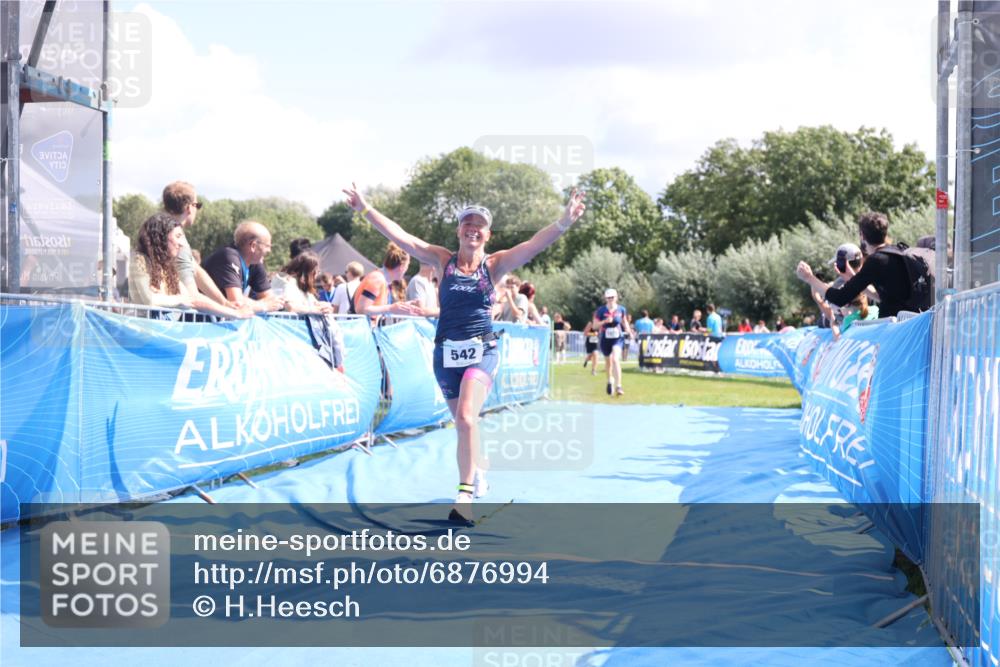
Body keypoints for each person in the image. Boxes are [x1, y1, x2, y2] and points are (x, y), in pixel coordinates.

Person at [342, 183, 586, 522]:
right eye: (467, 223)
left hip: (482, 350)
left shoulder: (495, 265)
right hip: (445, 354)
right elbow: (402, 237)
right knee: (462, 424)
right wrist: (365, 209)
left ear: (488, 234)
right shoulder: (443, 260)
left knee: (467, 418)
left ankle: (464, 497)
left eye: (479, 225)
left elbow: (533, 245)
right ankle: (477, 472)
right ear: (458, 230)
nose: (473, 228)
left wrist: (564, 222)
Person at [796, 211, 927, 319]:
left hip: (896, 330)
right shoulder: (899, 251)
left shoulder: (876, 260)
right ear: (885, 233)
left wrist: (809, 278)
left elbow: (840, 298)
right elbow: (881, 297)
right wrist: (853, 278)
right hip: (915, 323)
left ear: (862, 236)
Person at [128, 213, 251, 319]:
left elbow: (193, 300)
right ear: (160, 238)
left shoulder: (167, 268)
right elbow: (149, 299)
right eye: (177, 236)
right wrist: (180, 299)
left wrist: (230, 309)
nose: (181, 244)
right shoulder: (139, 260)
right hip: (143, 332)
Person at [161, 181, 230, 308]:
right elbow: (192, 297)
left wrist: (224, 302)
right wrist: (232, 311)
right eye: (197, 205)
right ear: (189, 207)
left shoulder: (158, 229)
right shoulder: (176, 240)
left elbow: (196, 271)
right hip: (164, 316)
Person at [201, 221, 286, 312]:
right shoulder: (228, 256)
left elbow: (270, 299)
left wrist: (273, 303)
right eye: (267, 246)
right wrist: (264, 306)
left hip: (220, 318)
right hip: (200, 318)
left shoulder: (255, 262)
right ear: (253, 246)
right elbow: (236, 302)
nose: (269, 250)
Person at [352, 242, 420, 321]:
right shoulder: (377, 279)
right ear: (402, 267)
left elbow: (376, 308)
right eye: (407, 265)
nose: (407, 269)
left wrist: (403, 306)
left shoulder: (383, 280)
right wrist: (391, 308)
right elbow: (361, 309)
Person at [594, 287, 631, 396]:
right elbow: (595, 326)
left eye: (612, 297)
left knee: (615, 359)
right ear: (605, 298)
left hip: (617, 338)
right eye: (608, 298)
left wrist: (629, 331)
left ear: (616, 297)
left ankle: (619, 386)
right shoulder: (601, 310)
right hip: (605, 338)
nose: (610, 299)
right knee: (608, 362)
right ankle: (610, 380)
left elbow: (624, 321)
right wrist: (604, 321)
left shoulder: (621, 309)